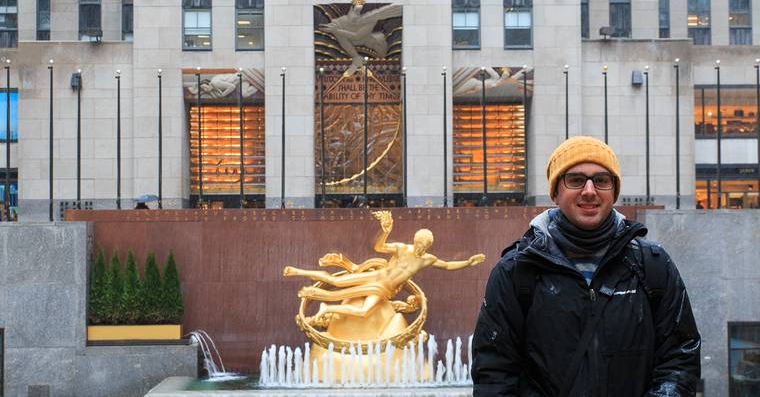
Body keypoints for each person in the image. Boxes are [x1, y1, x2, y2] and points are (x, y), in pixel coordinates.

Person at [472, 136, 701, 397]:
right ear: (556, 193)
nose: (589, 191)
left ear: (613, 192)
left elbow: (680, 358)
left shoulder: (652, 266)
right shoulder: (515, 271)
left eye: (601, 180)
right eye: (576, 180)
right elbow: (494, 374)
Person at [284, 210, 485, 327]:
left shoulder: (427, 259)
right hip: (377, 276)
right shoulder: (401, 248)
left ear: (428, 246)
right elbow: (379, 247)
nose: (419, 248)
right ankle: (298, 271)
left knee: (363, 311)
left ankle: (327, 307)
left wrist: (468, 262)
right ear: (415, 241)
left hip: (384, 290)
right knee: (336, 281)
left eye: (423, 246)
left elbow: (448, 265)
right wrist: (385, 231)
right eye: (418, 244)